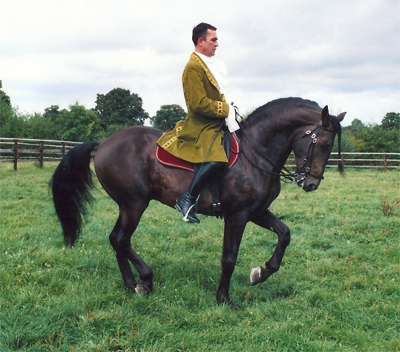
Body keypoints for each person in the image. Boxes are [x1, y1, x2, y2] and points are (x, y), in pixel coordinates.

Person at [157, 22, 239, 223]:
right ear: (200, 41)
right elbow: (197, 103)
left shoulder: (208, 65)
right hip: (201, 125)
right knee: (217, 159)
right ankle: (187, 199)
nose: (217, 44)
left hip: (216, 122)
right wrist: (226, 109)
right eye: (214, 40)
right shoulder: (193, 67)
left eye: (217, 40)